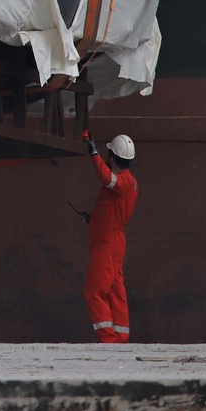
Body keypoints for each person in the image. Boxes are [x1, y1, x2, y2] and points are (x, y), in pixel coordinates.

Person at [82, 130, 137, 343]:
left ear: (112, 157)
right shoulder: (124, 184)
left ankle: (109, 338)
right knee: (114, 289)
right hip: (111, 241)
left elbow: (107, 178)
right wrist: (90, 219)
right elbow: (109, 213)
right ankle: (120, 335)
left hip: (108, 243)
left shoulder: (123, 182)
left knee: (93, 291)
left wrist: (94, 153)